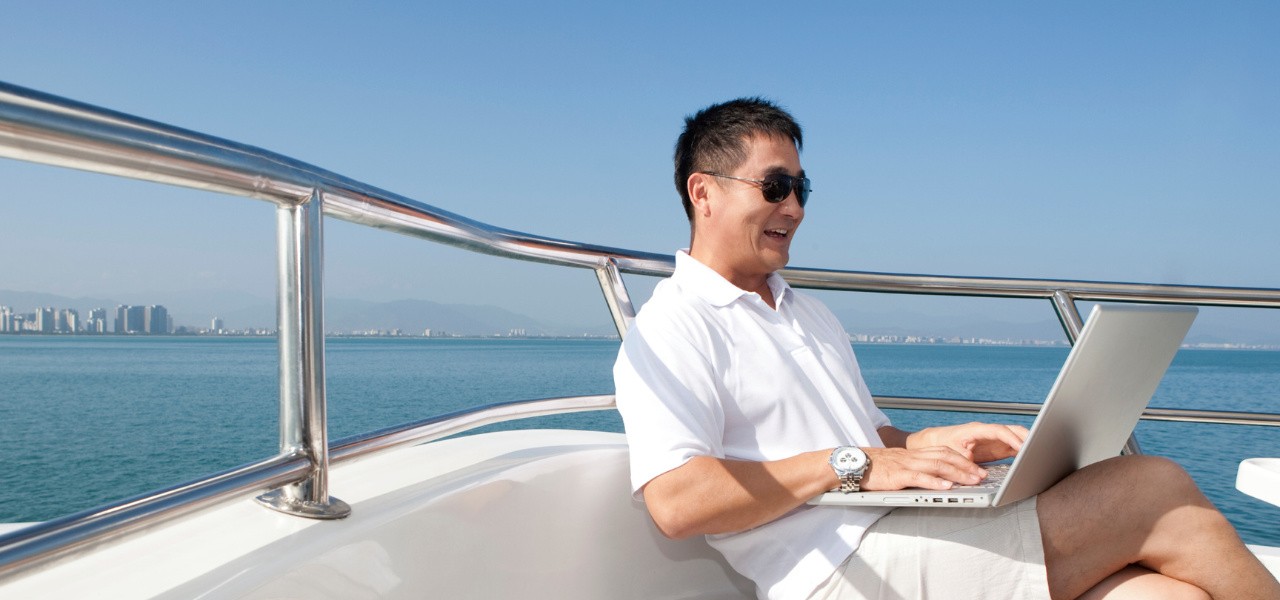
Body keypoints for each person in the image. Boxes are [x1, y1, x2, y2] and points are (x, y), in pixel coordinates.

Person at [613, 97, 1280, 600]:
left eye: (803, 189)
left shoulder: (804, 311)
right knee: (1150, 486)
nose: (797, 207)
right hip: (834, 573)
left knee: (1165, 595)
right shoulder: (674, 325)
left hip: (902, 532)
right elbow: (678, 502)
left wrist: (930, 443)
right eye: (776, 186)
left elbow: (866, 438)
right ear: (703, 193)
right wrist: (850, 464)